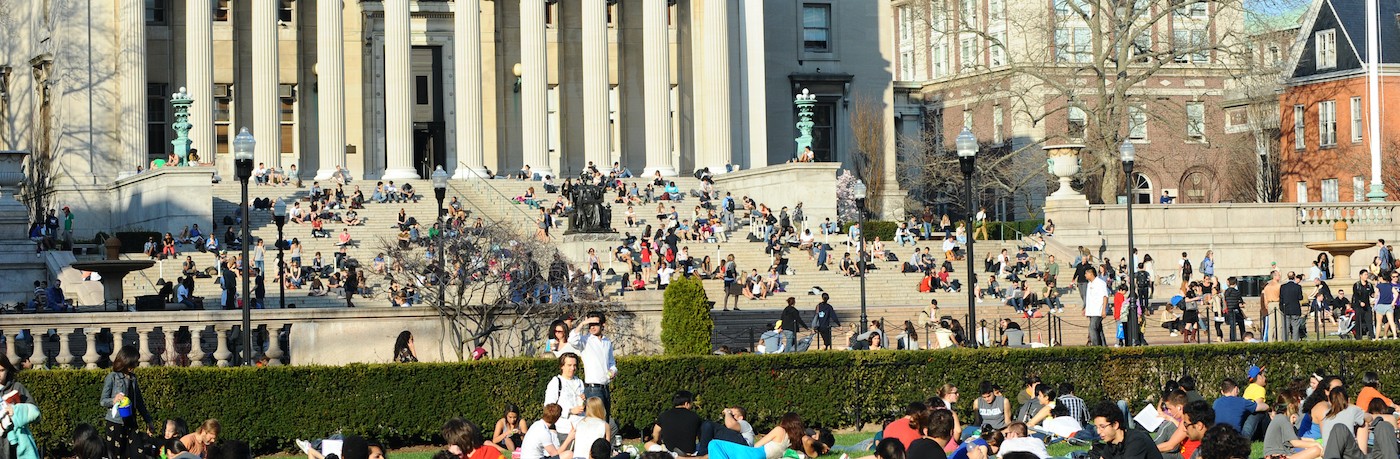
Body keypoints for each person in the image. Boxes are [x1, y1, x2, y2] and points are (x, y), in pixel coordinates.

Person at [101, 346, 153, 459]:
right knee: (116, 455)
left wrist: (148, 421)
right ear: (124, 362)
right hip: (115, 422)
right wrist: (114, 400)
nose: (134, 366)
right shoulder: (112, 377)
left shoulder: (133, 379)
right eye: (133, 363)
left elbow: (139, 402)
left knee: (138, 453)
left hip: (131, 422)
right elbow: (103, 401)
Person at [570, 312, 617, 418]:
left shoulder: (607, 342)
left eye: (595, 324)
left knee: (605, 420)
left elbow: (612, 363)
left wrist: (613, 371)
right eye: (590, 324)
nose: (592, 327)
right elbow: (572, 340)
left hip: (605, 388)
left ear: (602, 325)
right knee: (596, 422)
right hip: (592, 389)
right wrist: (583, 323)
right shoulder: (585, 340)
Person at [1087, 401, 1162, 459]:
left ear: (1115, 425)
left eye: (1102, 427)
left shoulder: (1136, 441)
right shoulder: (1112, 444)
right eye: (1097, 427)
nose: (1098, 432)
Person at [544, 353, 586, 433]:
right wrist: (570, 411)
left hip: (582, 427)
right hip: (564, 429)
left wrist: (585, 400)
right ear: (562, 366)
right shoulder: (556, 382)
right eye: (569, 365)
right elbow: (549, 407)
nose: (573, 368)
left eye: (575, 365)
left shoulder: (579, 382)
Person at [654, 391, 703, 455]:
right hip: (689, 452)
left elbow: (656, 433)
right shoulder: (695, 417)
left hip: (668, 452)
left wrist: (659, 442)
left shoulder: (664, 415)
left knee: (648, 444)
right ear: (686, 404)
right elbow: (702, 436)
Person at [1084, 266, 1109, 346]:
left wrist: (1104, 310)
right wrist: (1085, 308)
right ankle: (1103, 346)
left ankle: (1096, 347)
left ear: (1091, 274)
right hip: (1091, 311)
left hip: (1098, 311)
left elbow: (1105, 296)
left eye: (1086, 273)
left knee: (1092, 328)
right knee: (1098, 329)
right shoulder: (1089, 284)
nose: (1085, 275)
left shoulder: (1100, 283)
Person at [1279, 272, 1305, 341]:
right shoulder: (1298, 287)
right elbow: (1300, 297)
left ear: (1288, 277)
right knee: (1295, 327)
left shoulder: (1283, 287)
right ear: (1294, 277)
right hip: (1295, 309)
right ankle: (1295, 341)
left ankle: (1285, 341)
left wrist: (1281, 308)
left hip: (1285, 309)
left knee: (1285, 327)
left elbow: (1281, 298)